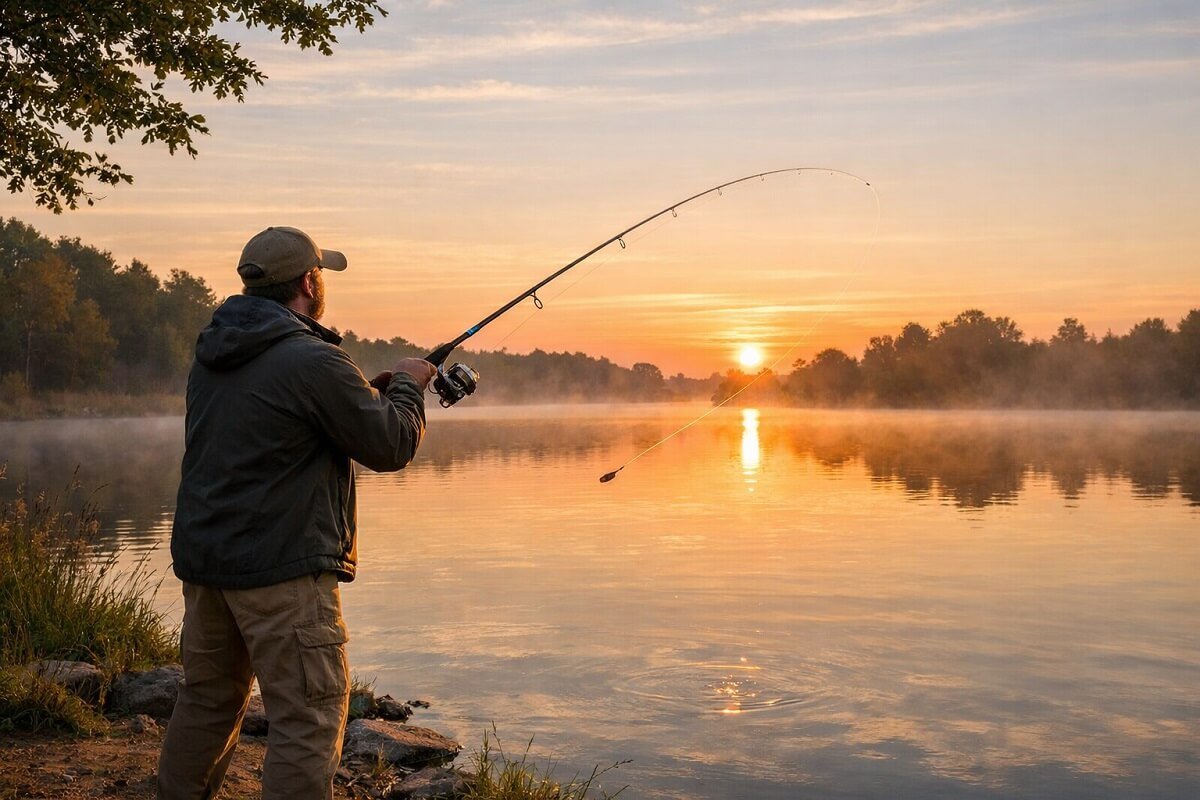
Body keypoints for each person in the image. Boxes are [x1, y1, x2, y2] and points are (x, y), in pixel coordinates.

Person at [157, 226, 436, 799]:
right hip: (280, 569)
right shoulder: (311, 359)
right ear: (309, 282)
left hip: (208, 564)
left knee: (208, 701)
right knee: (308, 719)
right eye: (321, 274)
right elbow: (391, 445)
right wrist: (408, 386)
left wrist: (359, 393)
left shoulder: (212, 356)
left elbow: (275, 427)